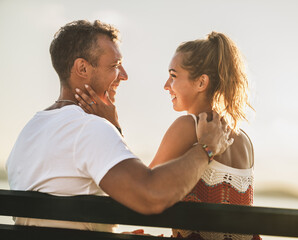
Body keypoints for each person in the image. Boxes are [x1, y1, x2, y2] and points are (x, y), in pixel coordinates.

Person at [5, 20, 233, 232]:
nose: (123, 75)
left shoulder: (30, 130)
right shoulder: (88, 128)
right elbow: (151, 195)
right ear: (82, 69)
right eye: (115, 65)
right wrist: (206, 149)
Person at [78, 32, 261, 240]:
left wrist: (114, 126)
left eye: (173, 76)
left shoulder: (188, 126)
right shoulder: (244, 139)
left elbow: (137, 191)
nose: (166, 85)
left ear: (201, 83)